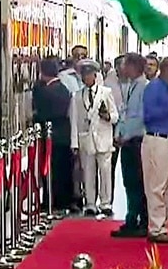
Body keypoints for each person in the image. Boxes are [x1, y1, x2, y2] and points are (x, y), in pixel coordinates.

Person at [69, 59, 118, 217]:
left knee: (105, 172)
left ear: (95, 75)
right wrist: (74, 143)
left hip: (103, 139)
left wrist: (108, 116)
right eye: (84, 75)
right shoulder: (77, 96)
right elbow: (74, 120)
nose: (86, 78)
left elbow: (116, 116)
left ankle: (106, 203)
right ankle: (90, 203)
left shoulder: (106, 93)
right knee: (88, 173)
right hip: (86, 139)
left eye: (89, 74)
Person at [141, 56, 168, 244]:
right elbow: (149, 116)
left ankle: (162, 225)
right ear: (165, 69)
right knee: (157, 185)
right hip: (157, 139)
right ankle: (156, 228)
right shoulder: (153, 88)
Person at [111, 53, 149, 238]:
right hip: (128, 139)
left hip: (136, 141)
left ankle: (141, 219)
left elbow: (139, 116)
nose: (121, 69)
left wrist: (126, 135)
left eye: (125, 65)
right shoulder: (132, 86)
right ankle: (132, 217)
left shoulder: (143, 87)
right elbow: (126, 113)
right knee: (129, 181)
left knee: (137, 181)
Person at [33, 58, 75, 213]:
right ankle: (65, 199)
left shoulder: (44, 91)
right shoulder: (63, 88)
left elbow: (40, 113)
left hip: (51, 137)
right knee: (64, 170)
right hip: (64, 136)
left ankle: (51, 200)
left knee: (50, 170)